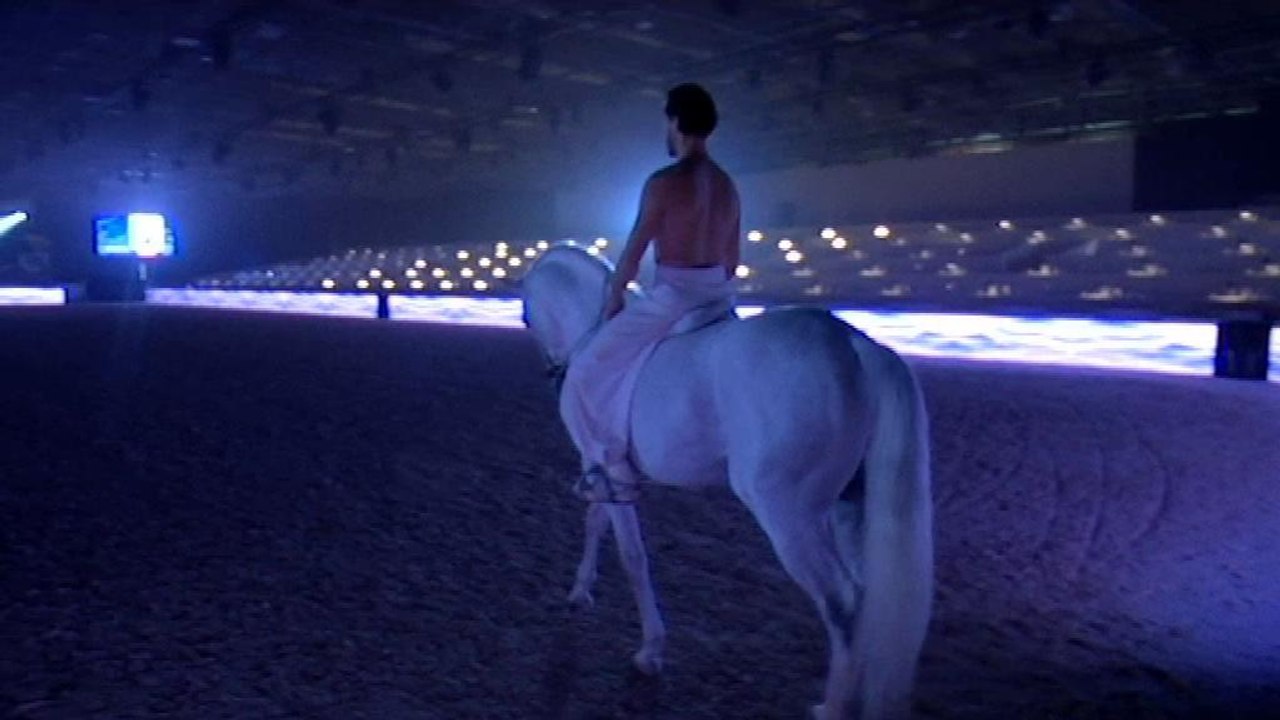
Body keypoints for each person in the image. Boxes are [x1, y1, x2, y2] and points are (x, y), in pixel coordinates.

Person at [559, 83, 742, 503]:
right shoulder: (727, 184)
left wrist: (615, 297)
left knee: (585, 370)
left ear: (674, 122)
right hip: (719, 295)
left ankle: (612, 470)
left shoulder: (663, 182)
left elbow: (635, 248)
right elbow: (733, 258)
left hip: (675, 296)